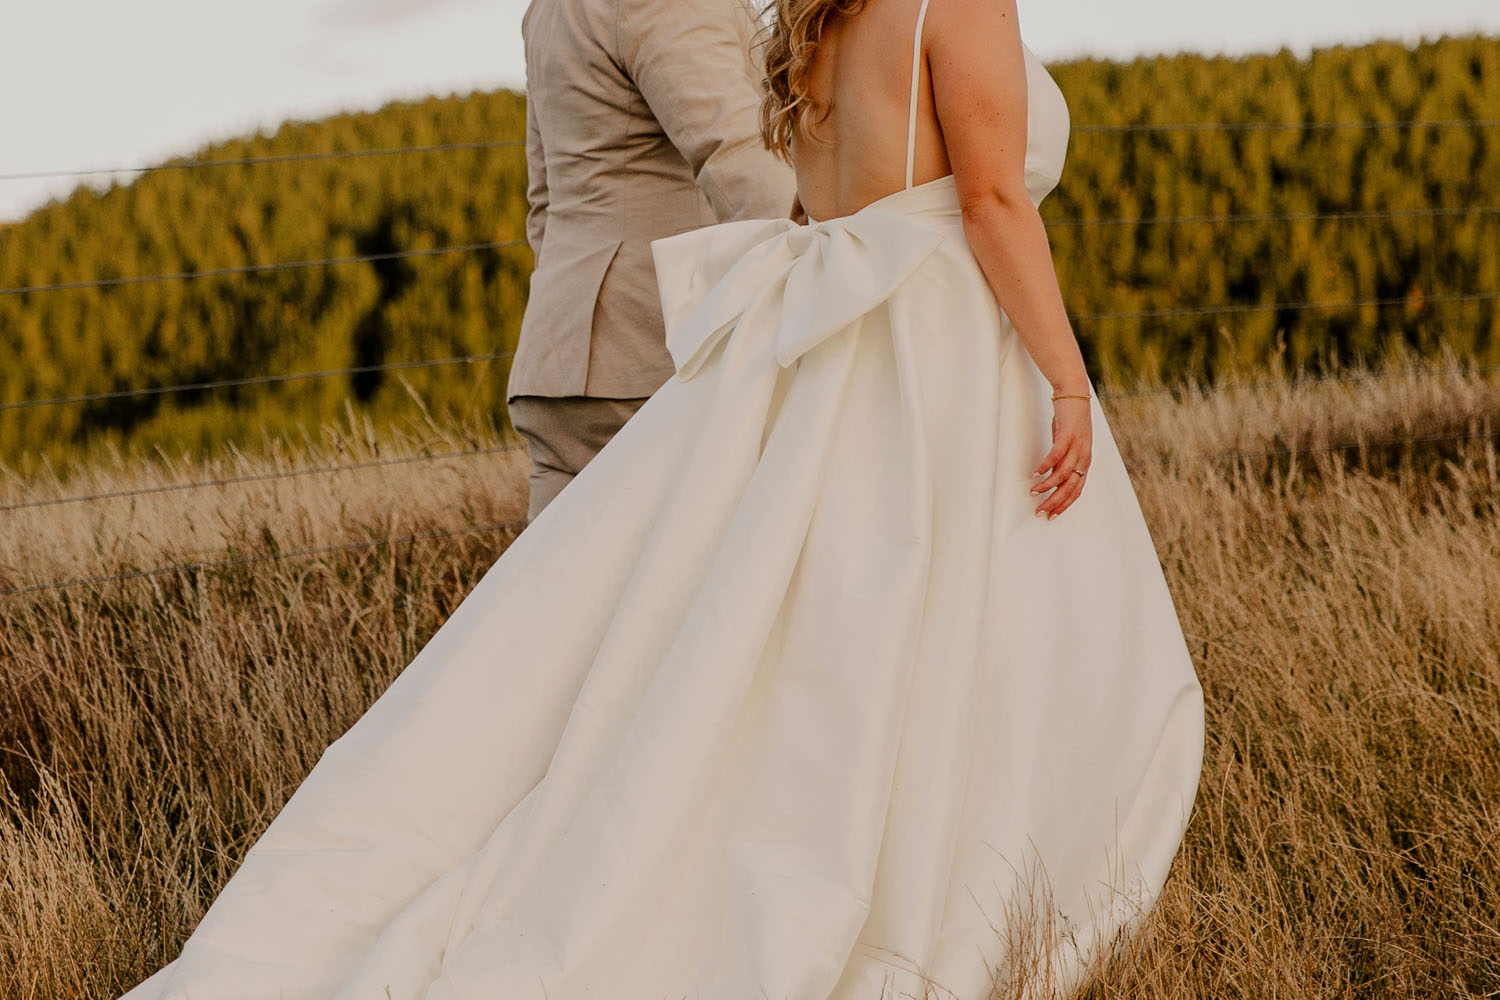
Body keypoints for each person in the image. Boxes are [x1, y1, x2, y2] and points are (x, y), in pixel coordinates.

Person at [120, 0, 1204, 996]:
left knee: (635, 663)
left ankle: (600, 847)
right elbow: (986, 196)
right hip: (904, 354)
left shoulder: (805, 18)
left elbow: (555, 200)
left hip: (711, 338)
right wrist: (1065, 376)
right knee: (842, 646)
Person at [508, 0, 796, 521]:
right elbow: (742, 165)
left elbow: (543, 206)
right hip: (653, 356)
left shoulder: (546, 9)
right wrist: (823, 286)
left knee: (551, 594)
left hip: (555, 363)